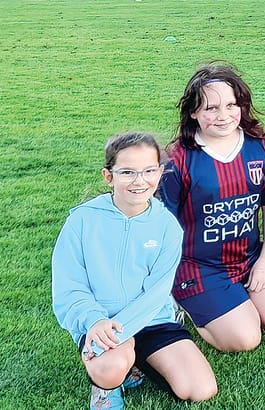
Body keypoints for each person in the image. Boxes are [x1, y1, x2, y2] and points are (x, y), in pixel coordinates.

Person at [53, 132, 217, 410]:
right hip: (101, 322)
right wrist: (94, 321)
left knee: (201, 389)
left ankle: (135, 360)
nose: (139, 181)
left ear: (160, 172)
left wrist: (122, 333)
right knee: (110, 366)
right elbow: (69, 285)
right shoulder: (81, 220)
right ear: (109, 176)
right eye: (127, 172)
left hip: (151, 319)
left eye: (148, 171)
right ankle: (108, 384)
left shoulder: (166, 226)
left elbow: (157, 293)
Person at [160, 63, 265, 353]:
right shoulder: (177, 158)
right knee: (245, 338)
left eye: (231, 105)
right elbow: (161, 225)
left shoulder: (260, 145)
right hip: (199, 266)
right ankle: (189, 301)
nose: (223, 115)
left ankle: (236, 299)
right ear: (193, 113)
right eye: (211, 108)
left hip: (249, 257)